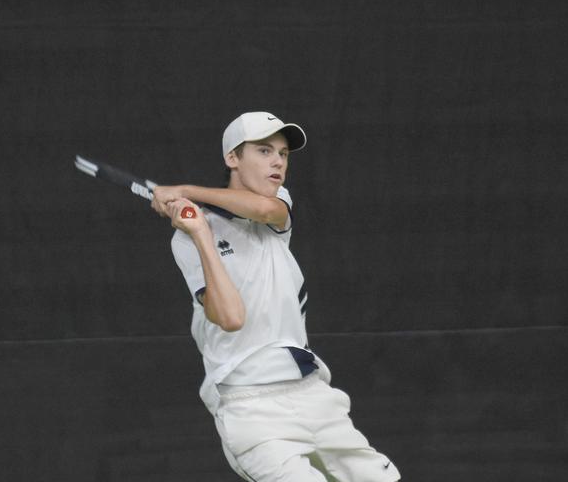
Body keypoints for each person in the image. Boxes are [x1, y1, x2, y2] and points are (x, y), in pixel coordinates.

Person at [150, 112, 400, 481]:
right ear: (233, 158)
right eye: (264, 151)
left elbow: (265, 209)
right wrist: (201, 234)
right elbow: (231, 317)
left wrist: (186, 191)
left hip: (314, 396)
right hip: (252, 409)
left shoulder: (277, 207)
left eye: (283, 154)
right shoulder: (187, 238)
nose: (278, 162)